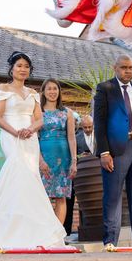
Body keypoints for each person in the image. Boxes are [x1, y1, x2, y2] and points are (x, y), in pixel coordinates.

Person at [0, 52, 66, 250]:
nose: (23, 69)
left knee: (31, 177)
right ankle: (5, 229)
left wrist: (30, 129)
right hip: (10, 135)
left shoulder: (32, 93)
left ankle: (33, 229)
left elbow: (40, 118)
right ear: (12, 69)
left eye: (26, 66)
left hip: (30, 138)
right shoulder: (3, 89)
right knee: (16, 172)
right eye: (19, 65)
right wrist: (15, 132)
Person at [94, 54, 132, 250]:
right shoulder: (105, 88)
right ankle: (110, 241)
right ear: (115, 68)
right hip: (117, 149)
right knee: (113, 196)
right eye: (124, 67)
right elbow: (99, 123)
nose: (128, 71)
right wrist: (103, 152)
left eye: (131, 68)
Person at [39, 78, 77, 224]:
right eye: (49, 88)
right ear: (43, 92)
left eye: (55, 88)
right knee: (44, 196)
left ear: (59, 91)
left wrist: (74, 162)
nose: (52, 92)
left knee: (61, 196)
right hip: (44, 158)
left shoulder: (67, 112)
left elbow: (72, 138)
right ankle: (46, 233)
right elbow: (34, 140)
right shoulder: (37, 113)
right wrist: (40, 161)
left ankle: (58, 235)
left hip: (64, 159)